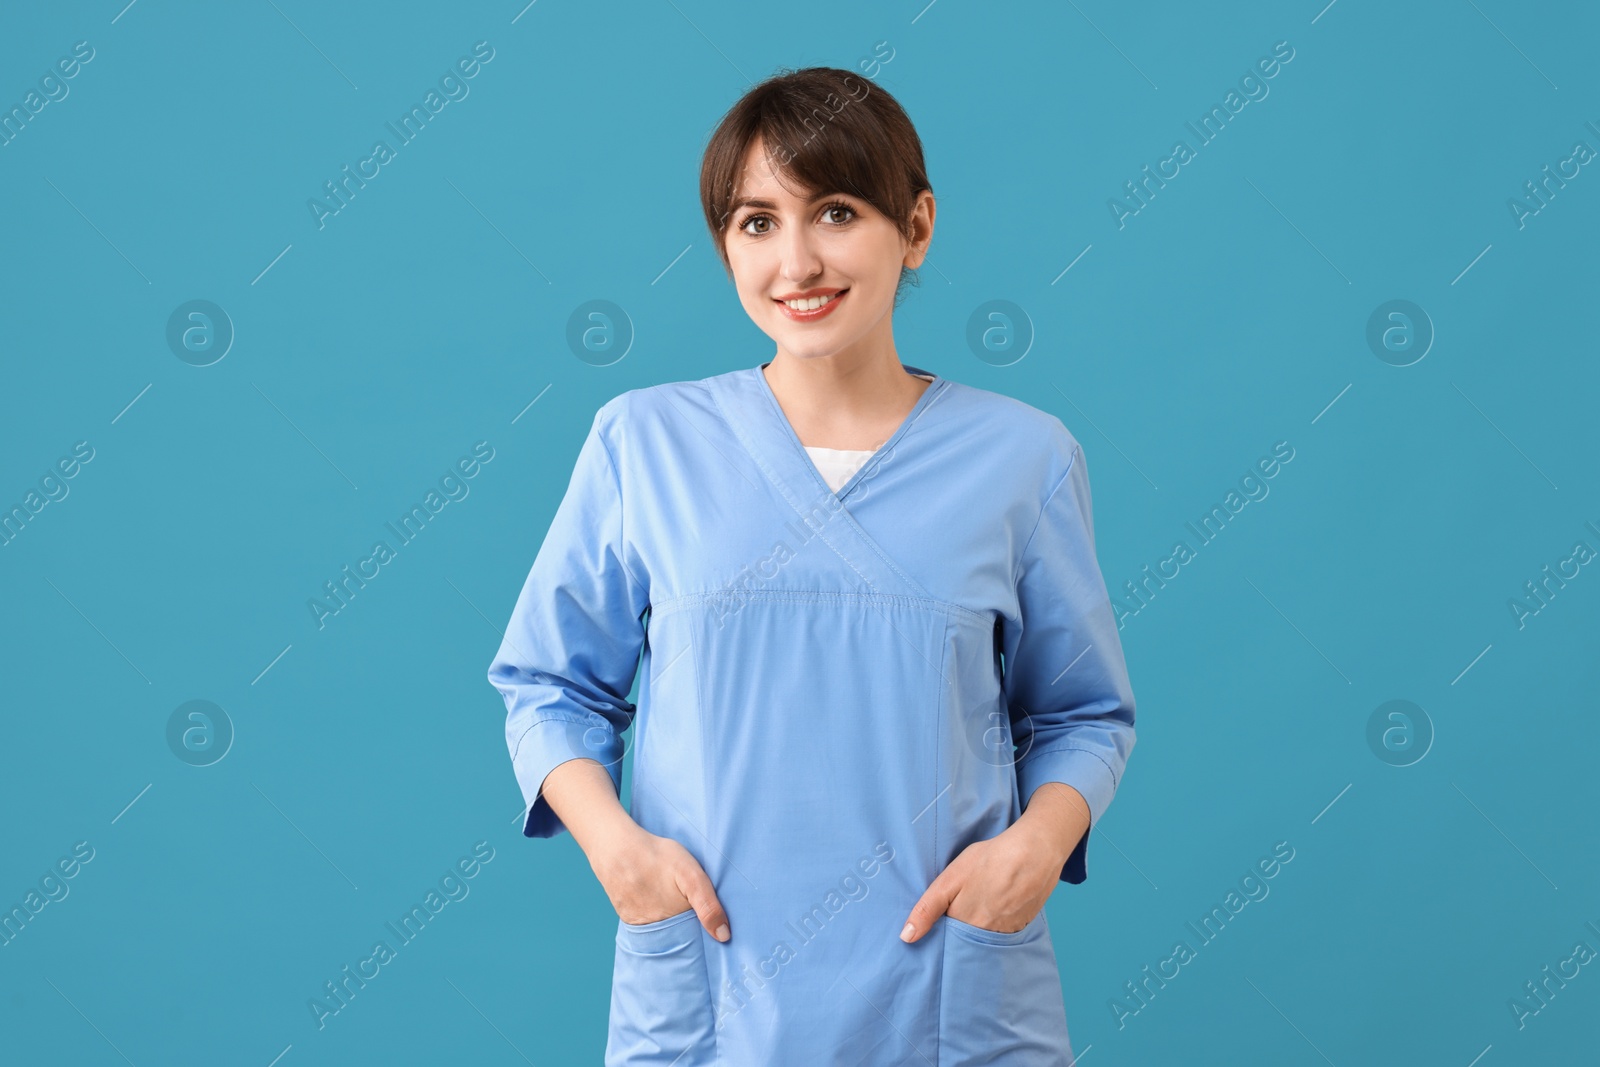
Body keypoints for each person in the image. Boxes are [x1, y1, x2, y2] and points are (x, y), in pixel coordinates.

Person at [487, 65, 1137, 1066]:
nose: (795, 260)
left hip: (947, 992)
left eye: (835, 211)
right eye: (755, 222)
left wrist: (1034, 847)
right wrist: (618, 851)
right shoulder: (644, 443)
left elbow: (1081, 713)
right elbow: (546, 684)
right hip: (708, 988)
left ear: (915, 226)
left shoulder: (1023, 457)